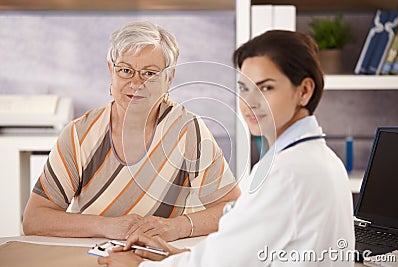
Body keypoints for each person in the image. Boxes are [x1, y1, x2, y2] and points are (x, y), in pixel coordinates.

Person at [97, 30, 355, 266]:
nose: (250, 103)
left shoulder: (288, 173)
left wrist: (140, 266)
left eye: (266, 87)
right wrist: (176, 256)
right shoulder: (322, 160)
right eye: (244, 88)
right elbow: (244, 253)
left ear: (305, 91)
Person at [22, 21, 241, 241]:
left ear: (169, 78)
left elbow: (232, 208)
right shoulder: (78, 134)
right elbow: (35, 218)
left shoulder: (188, 131)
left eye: (149, 73)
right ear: (111, 70)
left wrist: (177, 227)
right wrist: (107, 226)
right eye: (126, 70)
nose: (136, 83)